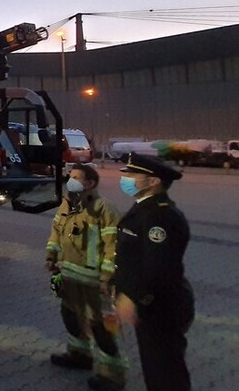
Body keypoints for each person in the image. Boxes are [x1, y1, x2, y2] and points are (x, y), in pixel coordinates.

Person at [112, 154, 193, 391]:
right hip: (150, 305)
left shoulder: (160, 216)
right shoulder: (144, 209)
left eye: (132, 175)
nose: (125, 179)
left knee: (165, 372)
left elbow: (159, 267)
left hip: (160, 306)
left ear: (153, 182)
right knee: (155, 368)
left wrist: (132, 298)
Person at [45, 164, 128, 390]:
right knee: (71, 316)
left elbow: (113, 246)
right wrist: (51, 255)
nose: (70, 181)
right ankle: (79, 355)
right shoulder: (67, 205)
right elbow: (56, 232)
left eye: (75, 178)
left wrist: (107, 276)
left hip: (93, 280)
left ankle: (112, 374)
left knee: (100, 326)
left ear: (90, 183)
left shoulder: (104, 209)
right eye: (70, 177)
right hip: (68, 274)